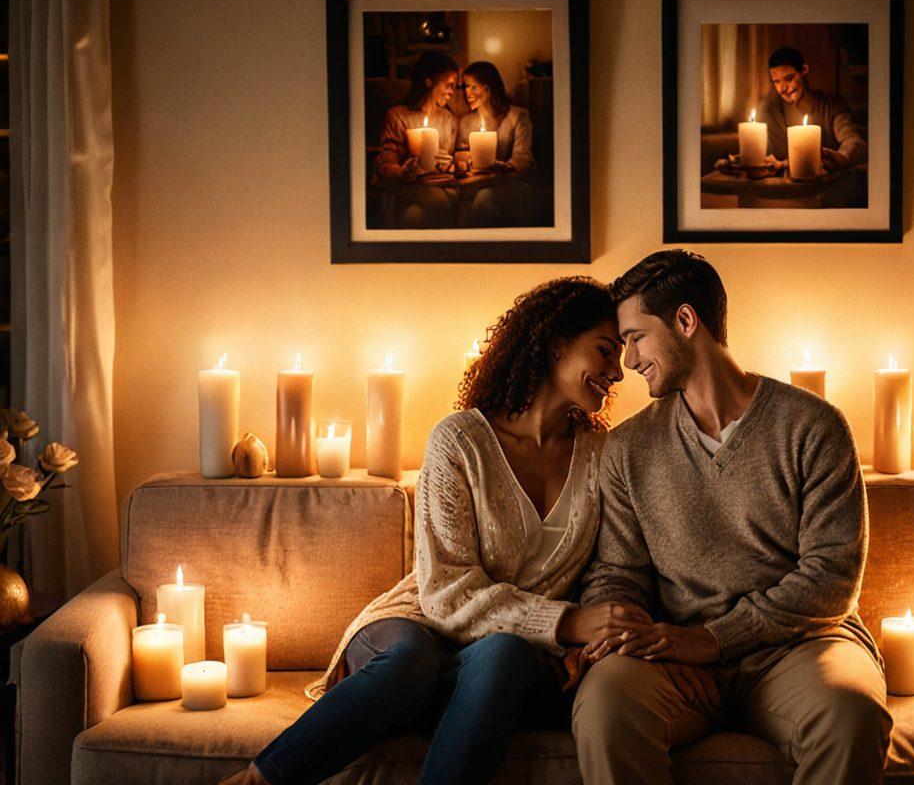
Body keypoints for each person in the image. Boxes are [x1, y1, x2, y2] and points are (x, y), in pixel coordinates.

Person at [221, 277, 642, 785]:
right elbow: (444, 591)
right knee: (410, 661)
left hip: (502, 665)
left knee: (505, 652)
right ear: (556, 343)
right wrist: (569, 621)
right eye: (605, 350)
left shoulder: (602, 457)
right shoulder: (460, 441)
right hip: (416, 628)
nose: (617, 372)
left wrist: (599, 630)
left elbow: (607, 568)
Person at [572, 250, 892, 785]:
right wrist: (641, 643)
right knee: (606, 704)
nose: (628, 360)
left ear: (685, 320)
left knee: (850, 714)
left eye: (636, 338)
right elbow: (617, 573)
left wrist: (715, 639)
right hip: (678, 661)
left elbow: (831, 579)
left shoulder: (812, 426)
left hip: (801, 648)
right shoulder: (627, 448)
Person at [370, 51, 461, 228]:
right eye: (448, 85)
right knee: (434, 203)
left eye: (454, 87)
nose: (452, 92)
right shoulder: (398, 116)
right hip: (408, 188)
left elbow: (451, 158)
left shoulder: (449, 119)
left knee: (416, 215)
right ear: (429, 82)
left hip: (443, 185)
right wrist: (403, 172)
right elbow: (386, 161)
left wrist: (454, 162)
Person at [455, 61, 547, 227]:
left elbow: (523, 157)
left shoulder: (517, 117)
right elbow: (462, 153)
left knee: (486, 197)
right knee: (480, 196)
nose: (467, 93)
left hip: (513, 183)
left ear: (488, 89)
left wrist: (507, 167)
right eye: (465, 87)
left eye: (472, 87)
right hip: (478, 184)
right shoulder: (465, 122)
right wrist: (463, 159)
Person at [761, 45, 868, 171]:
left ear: (804, 70)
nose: (783, 89)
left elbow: (854, 141)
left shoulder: (831, 105)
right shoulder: (771, 110)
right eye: (777, 82)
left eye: (789, 78)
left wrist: (841, 158)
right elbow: (775, 159)